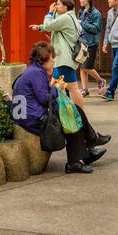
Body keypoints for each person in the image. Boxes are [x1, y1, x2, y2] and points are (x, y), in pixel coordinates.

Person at [12, 42, 106, 174]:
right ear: (43, 59)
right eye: (52, 58)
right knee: (71, 115)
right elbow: (45, 99)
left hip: (27, 116)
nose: (54, 61)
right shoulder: (37, 73)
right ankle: (79, 156)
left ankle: (86, 149)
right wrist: (57, 88)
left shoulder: (32, 70)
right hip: (33, 120)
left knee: (73, 111)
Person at [30, 0, 110, 145]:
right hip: (65, 59)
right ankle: (63, 113)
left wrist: (48, 13)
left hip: (63, 60)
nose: (56, 6)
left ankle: (80, 115)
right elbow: (52, 27)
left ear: (66, 6)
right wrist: (41, 26)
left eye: (58, 4)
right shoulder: (72, 17)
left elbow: (49, 25)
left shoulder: (66, 18)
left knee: (73, 88)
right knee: (54, 85)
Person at [78, 0, 104, 97]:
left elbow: (96, 28)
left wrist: (83, 23)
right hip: (82, 42)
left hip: (91, 43)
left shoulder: (95, 13)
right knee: (82, 66)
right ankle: (85, 90)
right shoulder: (81, 11)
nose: (80, 0)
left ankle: (100, 80)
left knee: (87, 67)